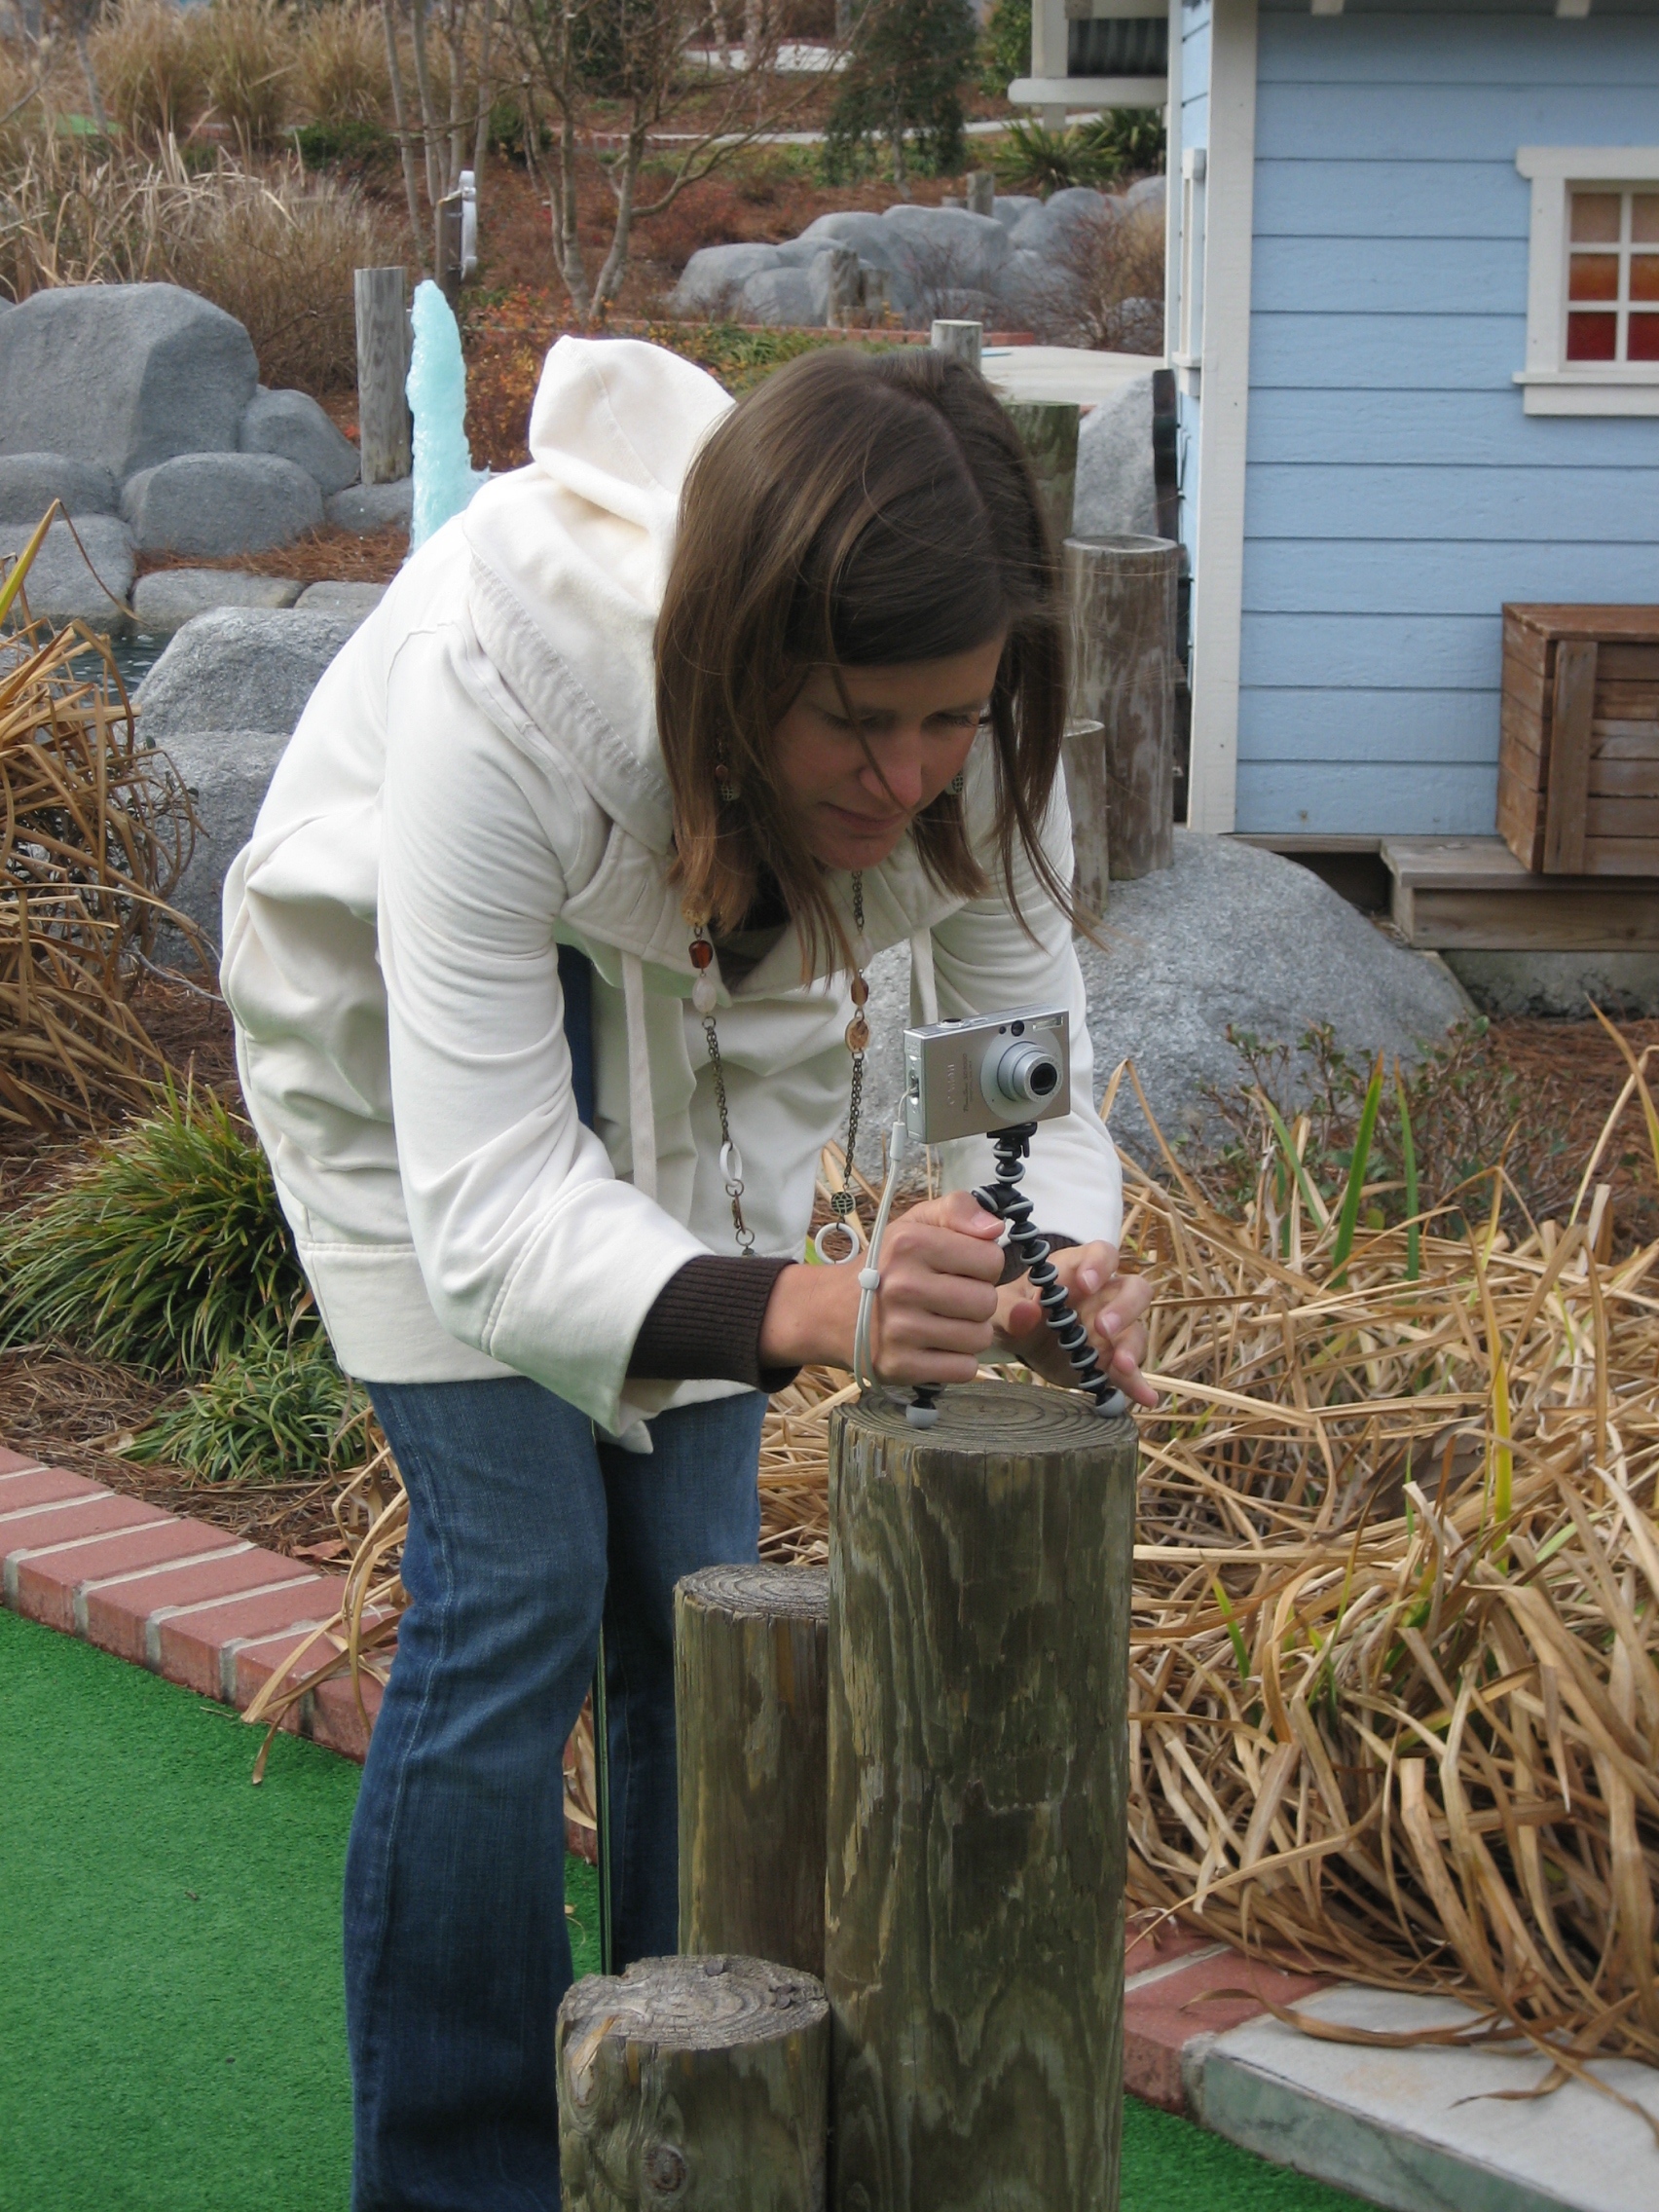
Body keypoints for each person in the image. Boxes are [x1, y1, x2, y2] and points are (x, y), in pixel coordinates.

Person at [220, 335, 1155, 2210]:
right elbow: (497, 1207)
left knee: (699, 1594)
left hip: (706, 1069)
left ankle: (692, 2137)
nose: (912, 776)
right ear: (738, 666)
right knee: (524, 1588)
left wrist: (1052, 1265)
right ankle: (466, 2181)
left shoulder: (968, 733)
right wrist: (815, 1306)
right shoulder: (500, 677)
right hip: (415, 1081)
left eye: (950, 718)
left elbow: (1016, 1088)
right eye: (861, 725)